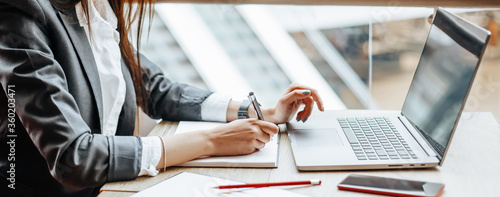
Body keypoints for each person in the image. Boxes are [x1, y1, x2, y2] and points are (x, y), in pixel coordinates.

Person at [0, 0, 324, 196]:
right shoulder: (22, 12)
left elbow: (156, 89)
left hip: (110, 188)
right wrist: (210, 142)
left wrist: (258, 112)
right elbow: (74, 157)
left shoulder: (98, 9)